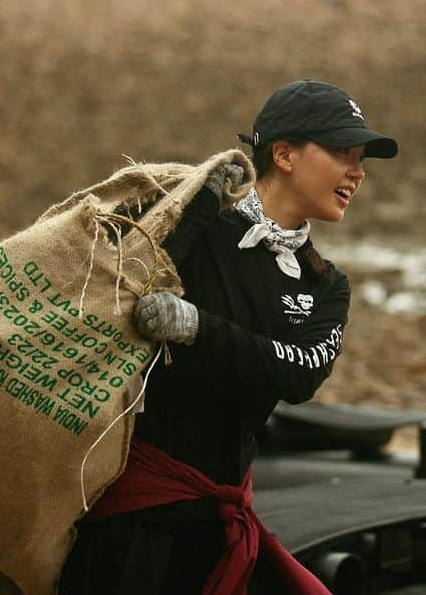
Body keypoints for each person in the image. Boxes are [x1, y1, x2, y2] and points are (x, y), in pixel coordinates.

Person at [59, 78, 398, 595]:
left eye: (361, 159)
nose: (357, 172)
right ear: (283, 154)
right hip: (130, 515)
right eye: (342, 153)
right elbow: (118, 292)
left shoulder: (325, 284)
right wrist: (195, 207)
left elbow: (299, 374)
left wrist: (197, 327)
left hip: (218, 524)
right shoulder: (202, 226)